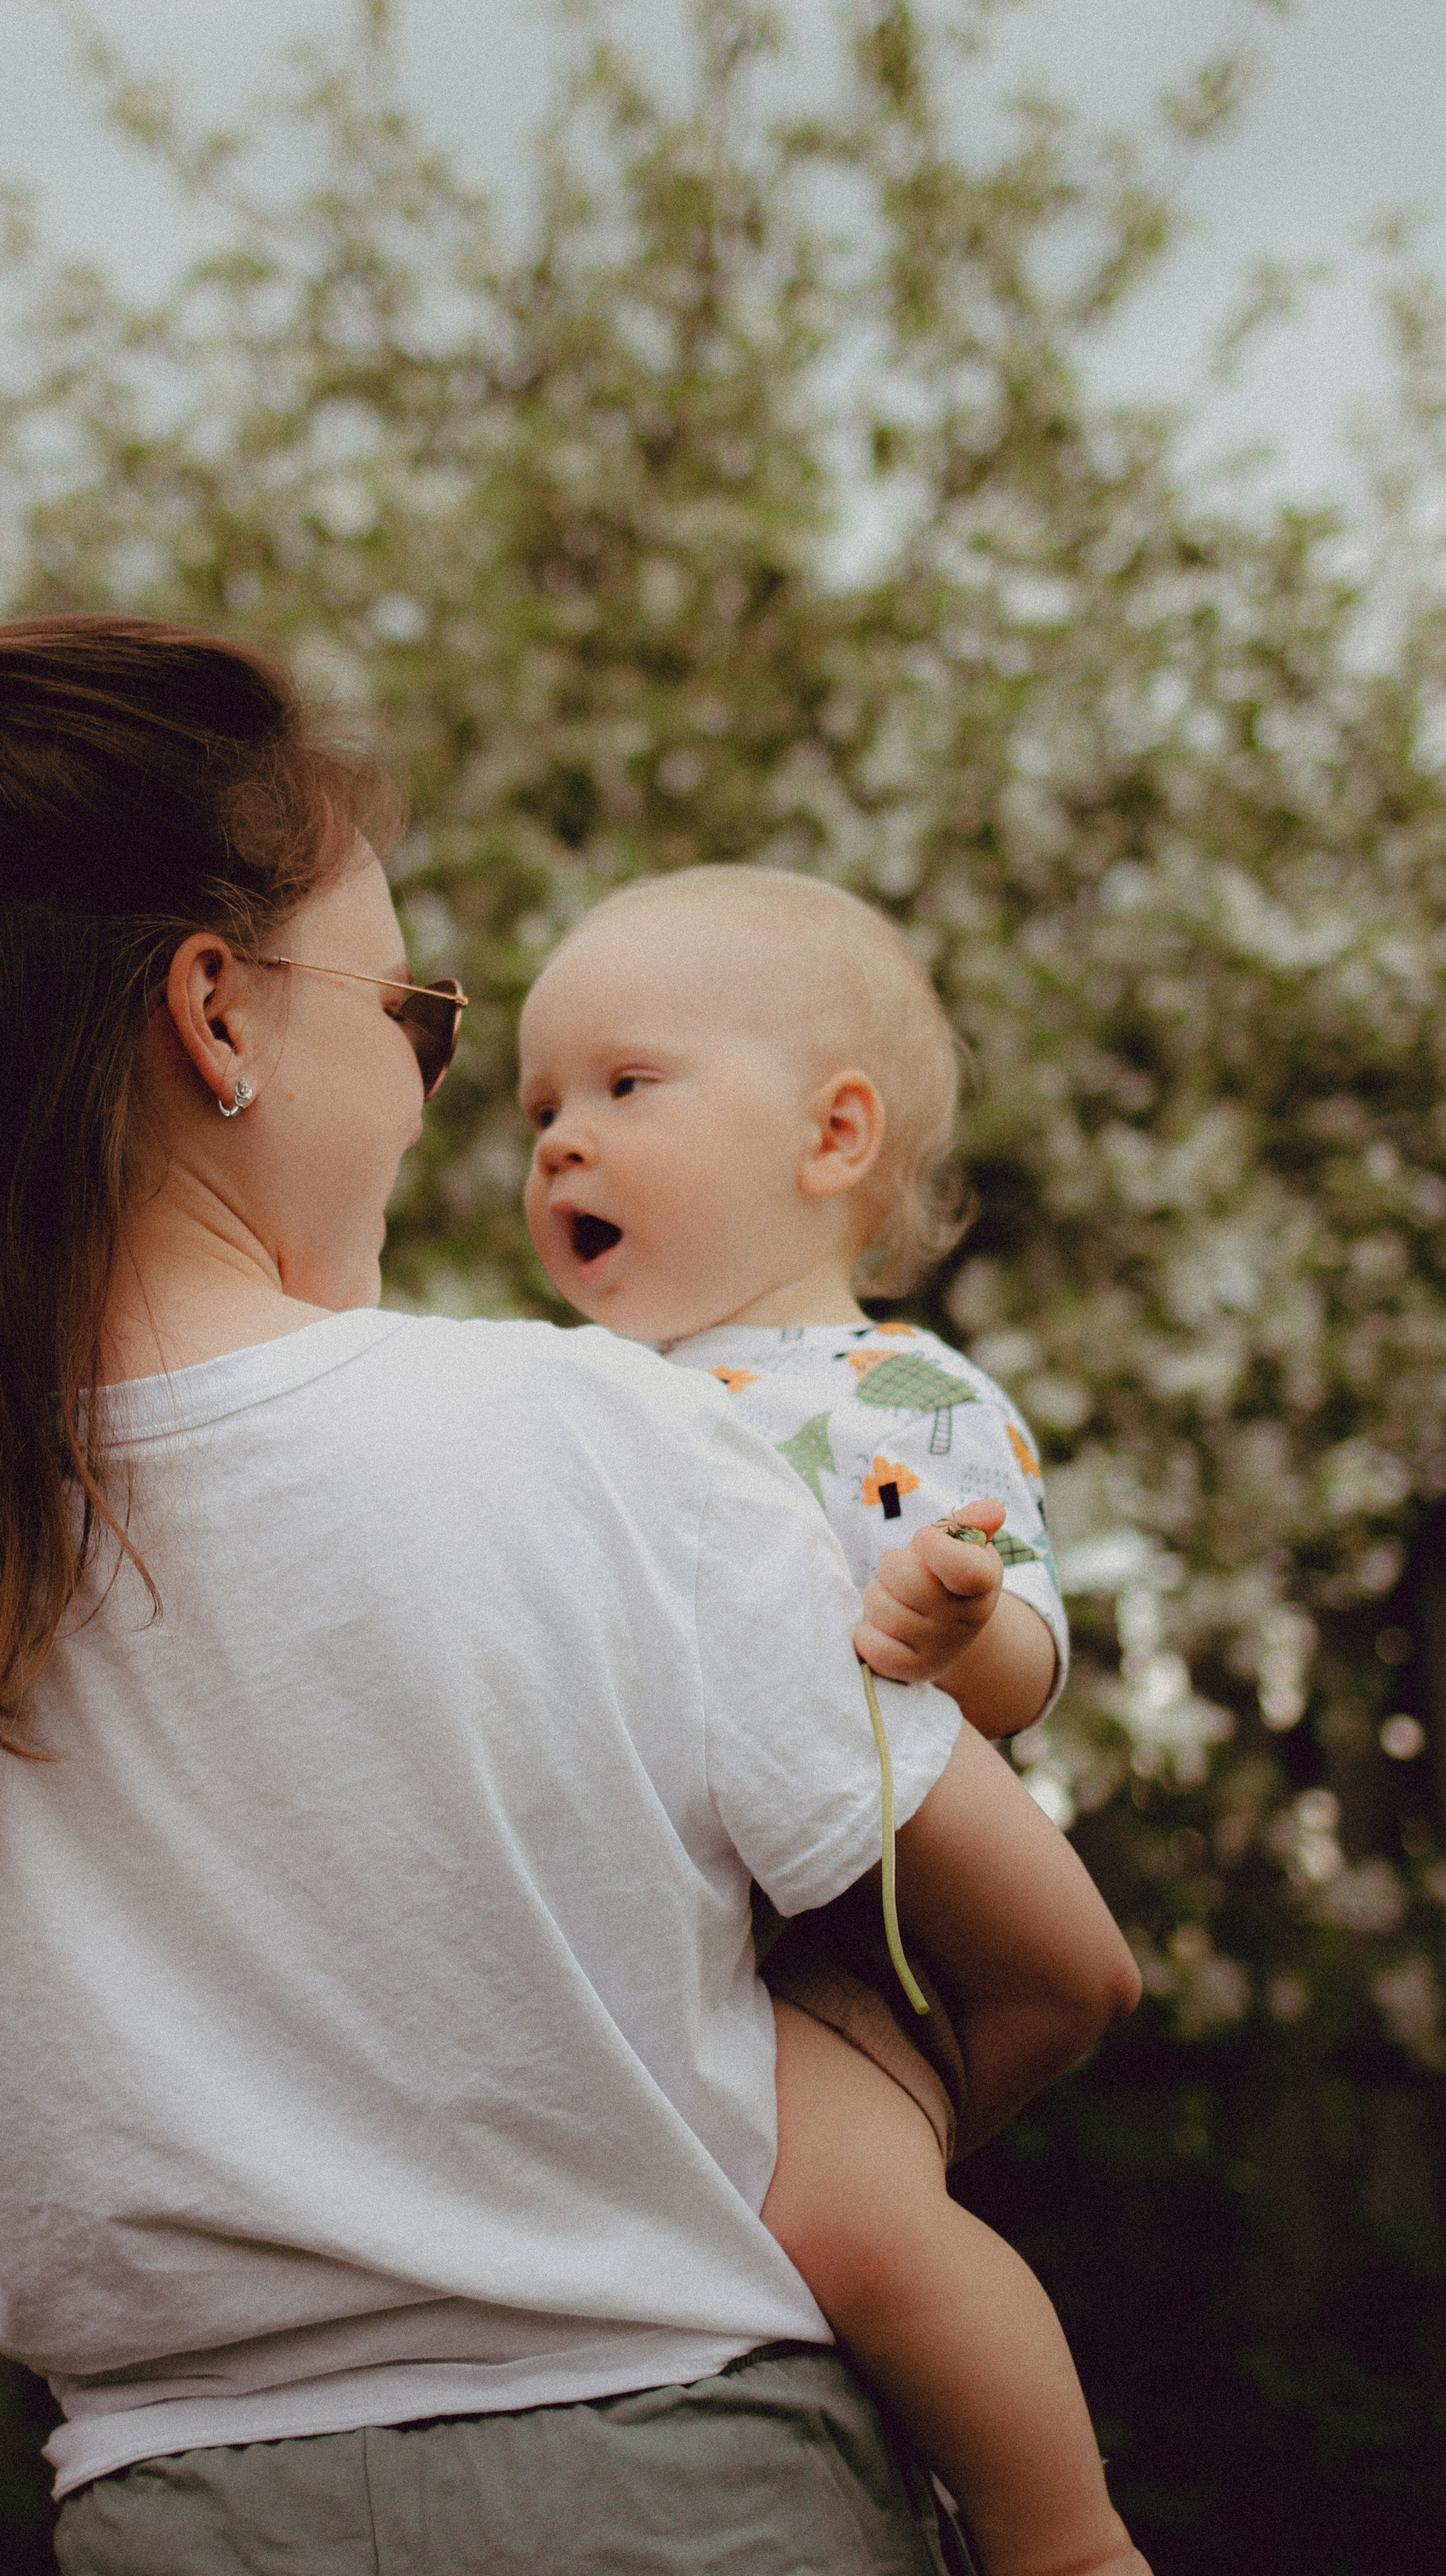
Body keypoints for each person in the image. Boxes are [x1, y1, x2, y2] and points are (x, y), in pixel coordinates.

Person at [0, 615, 1136, 2576]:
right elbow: (1059, 1965)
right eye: (415, 1019)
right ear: (216, 1016)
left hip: (174, 2517)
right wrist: (708, 2169)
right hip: (685, 2502)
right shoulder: (599, 1436)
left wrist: (269, 2240)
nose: (453, 1101)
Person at [517, 862, 1148, 2576]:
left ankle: (1061, 2539)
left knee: (853, 2223)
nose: (559, 1140)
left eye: (623, 1085)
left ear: (829, 1136)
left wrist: (950, 1621)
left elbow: (1027, 1653)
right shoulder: (565, 1401)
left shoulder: (891, 1392)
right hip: (655, 1916)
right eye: (538, 1107)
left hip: (843, 1932)